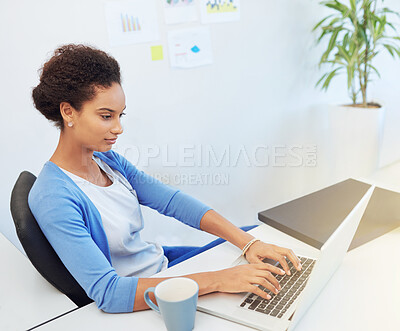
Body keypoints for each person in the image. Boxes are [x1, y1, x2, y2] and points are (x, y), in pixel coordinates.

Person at [29, 44, 302, 313]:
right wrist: (218, 280)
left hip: (167, 266)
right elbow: (109, 292)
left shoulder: (106, 160)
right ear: (68, 112)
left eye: (120, 115)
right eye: (106, 116)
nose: (118, 127)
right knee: (246, 282)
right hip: (147, 294)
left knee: (258, 244)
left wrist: (248, 242)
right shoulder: (53, 196)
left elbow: (172, 201)